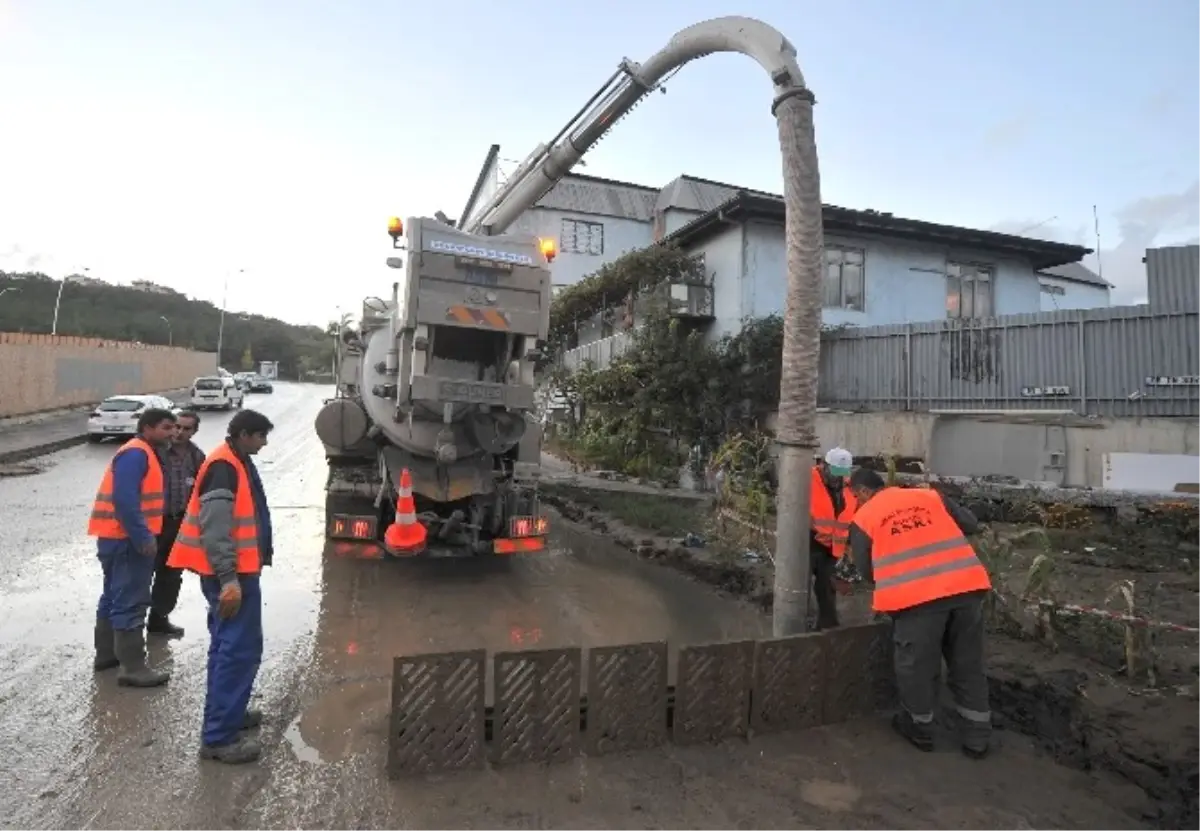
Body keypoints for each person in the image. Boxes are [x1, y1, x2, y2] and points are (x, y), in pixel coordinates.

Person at [845, 467, 993, 759]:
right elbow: (970, 523)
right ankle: (977, 737)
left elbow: (867, 571)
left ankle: (919, 728)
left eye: (855, 496)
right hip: (966, 588)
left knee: (916, 668)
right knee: (967, 663)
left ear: (862, 492)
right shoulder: (929, 496)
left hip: (917, 600)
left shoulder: (864, 518)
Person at [168, 409, 274, 764]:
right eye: (261, 436)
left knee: (227, 649)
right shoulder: (224, 466)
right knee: (237, 652)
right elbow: (214, 527)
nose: (264, 442)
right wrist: (229, 579)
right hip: (232, 576)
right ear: (244, 434)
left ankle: (229, 714)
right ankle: (218, 738)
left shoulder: (235, 459)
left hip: (237, 573)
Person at [88, 407, 178, 687]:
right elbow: (125, 500)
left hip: (116, 537)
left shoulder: (140, 451)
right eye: (166, 427)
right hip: (126, 540)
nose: (172, 432)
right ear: (148, 427)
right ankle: (133, 667)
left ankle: (107, 657)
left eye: (173, 427)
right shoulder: (137, 453)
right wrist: (142, 537)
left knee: (112, 597)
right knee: (130, 600)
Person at [148, 409, 206, 639]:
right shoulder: (157, 453)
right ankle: (129, 626)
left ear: (194, 431)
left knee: (171, 575)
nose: (179, 432)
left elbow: (203, 491)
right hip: (155, 523)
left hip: (180, 524)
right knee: (143, 573)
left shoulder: (197, 457)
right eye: (177, 427)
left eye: (186, 428)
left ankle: (159, 619)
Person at [808, 447, 856, 629]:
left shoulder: (849, 487)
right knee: (800, 585)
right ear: (823, 465)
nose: (839, 478)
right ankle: (797, 621)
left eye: (842, 474)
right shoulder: (807, 480)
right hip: (809, 541)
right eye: (835, 473)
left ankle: (827, 624)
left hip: (834, 546)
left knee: (827, 585)